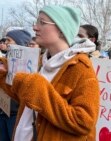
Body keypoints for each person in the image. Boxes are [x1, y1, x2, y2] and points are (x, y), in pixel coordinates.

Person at [0, 5, 100, 141]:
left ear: (61, 30)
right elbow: (25, 99)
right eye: (36, 22)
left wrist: (36, 87)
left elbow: (84, 122)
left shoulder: (81, 68)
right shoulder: (40, 61)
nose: (35, 27)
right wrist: (4, 74)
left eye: (42, 22)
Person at [0, 29, 32, 141]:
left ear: (19, 43)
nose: (6, 43)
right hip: (3, 112)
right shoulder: (3, 61)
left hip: (16, 113)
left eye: (9, 40)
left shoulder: (28, 62)